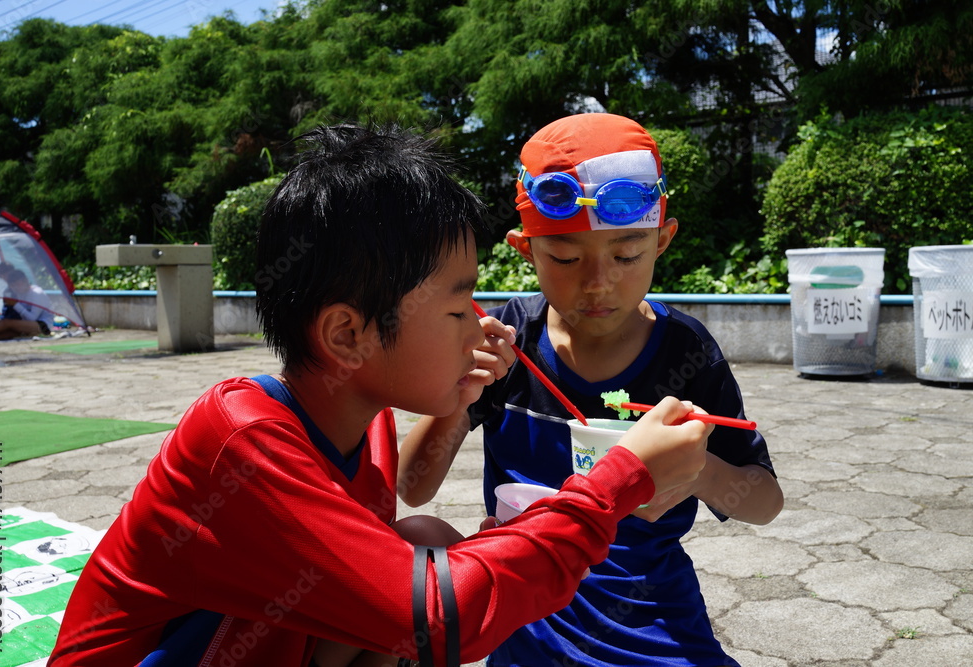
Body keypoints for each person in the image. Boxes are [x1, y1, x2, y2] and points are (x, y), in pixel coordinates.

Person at [47, 123, 713, 667]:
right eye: (456, 308)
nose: (481, 325)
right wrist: (620, 478)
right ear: (347, 334)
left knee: (420, 539)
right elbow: (437, 619)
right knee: (430, 588)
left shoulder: (361, 429)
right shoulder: (240, 439)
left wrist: (463, 400)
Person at [400, 113, 784, 667]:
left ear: (662, 242)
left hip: (650, 621)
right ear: (525, 250)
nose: (598, 281)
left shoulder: (684, 351)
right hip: (525, 616)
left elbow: (765, 503)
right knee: (415, 535)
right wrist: (461, 393)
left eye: (626, 255)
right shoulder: (511, 342)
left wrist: (694, 470)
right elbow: (413, 486)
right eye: (565, 257)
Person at [0, 268, 55, 340]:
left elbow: (33, 318)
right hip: (28, 324)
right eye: (13, 286)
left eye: (19, 284)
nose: (17, 288)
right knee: (9, 333)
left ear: (26, 281)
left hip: (44, 326)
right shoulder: (19, 293)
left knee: (7, 323)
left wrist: (15, 305)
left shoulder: (37, 293)